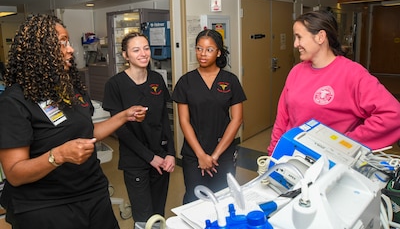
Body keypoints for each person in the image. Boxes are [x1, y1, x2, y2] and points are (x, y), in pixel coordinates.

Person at [0, 14, 148, 229]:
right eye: (62, 43)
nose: (70, 49)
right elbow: (14, 173)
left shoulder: (71, 90)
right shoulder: (14, 102)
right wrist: (58, 155)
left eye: (68, 42)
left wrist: (123, 116)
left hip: (92, 192)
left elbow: (87, 133)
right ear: (38, 50)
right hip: (46, 205)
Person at [268, 10, 400, 155]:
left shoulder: (352, 73)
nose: (295, 44)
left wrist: (346, 144)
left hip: (330, 163)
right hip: (291, 155)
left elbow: (393, 115)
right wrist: (274, 152)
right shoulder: (296, 72)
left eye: (299, 37)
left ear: (320, 37)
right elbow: (282, 117)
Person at [102, 32, 175, 224]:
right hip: (136, 160)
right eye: (136, 50)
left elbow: (164, 120)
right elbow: (121, 130)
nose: (143, 53)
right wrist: (150, 157)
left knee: (158, 215)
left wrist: (171, 153)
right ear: (125, 55)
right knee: (143, 218)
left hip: (161, 157)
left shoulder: (156, 80)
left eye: (146, 48)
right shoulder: (115, 85)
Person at [172, 29, 247, 204]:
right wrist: (201, 155)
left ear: (219, 52)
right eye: (199, 48)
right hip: (194, 153)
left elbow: (237, 119)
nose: (202, 54)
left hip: (224, 152)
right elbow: (184, 121)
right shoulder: (186, 82)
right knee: (194, 198)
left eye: (209, 49)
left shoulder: (230, 80)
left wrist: (214, 156)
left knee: (223, 198)